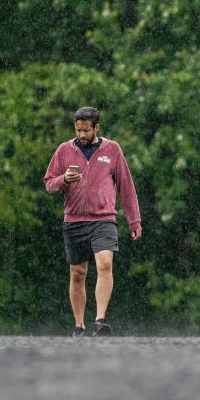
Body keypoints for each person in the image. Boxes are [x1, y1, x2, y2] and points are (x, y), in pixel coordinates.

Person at [44, 107, 142, 337]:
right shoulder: (63, 151)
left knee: (105, 263)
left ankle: (100, 320)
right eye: (78, 130)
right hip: (75, 219)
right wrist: (64, 180)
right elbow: (49, 183)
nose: (81, 135)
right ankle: (79, 325)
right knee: (78, 273)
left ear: (96, 127)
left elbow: (126, 187)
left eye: (86, 130)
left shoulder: (112, 150)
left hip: (104, 218)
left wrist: (134, 221)